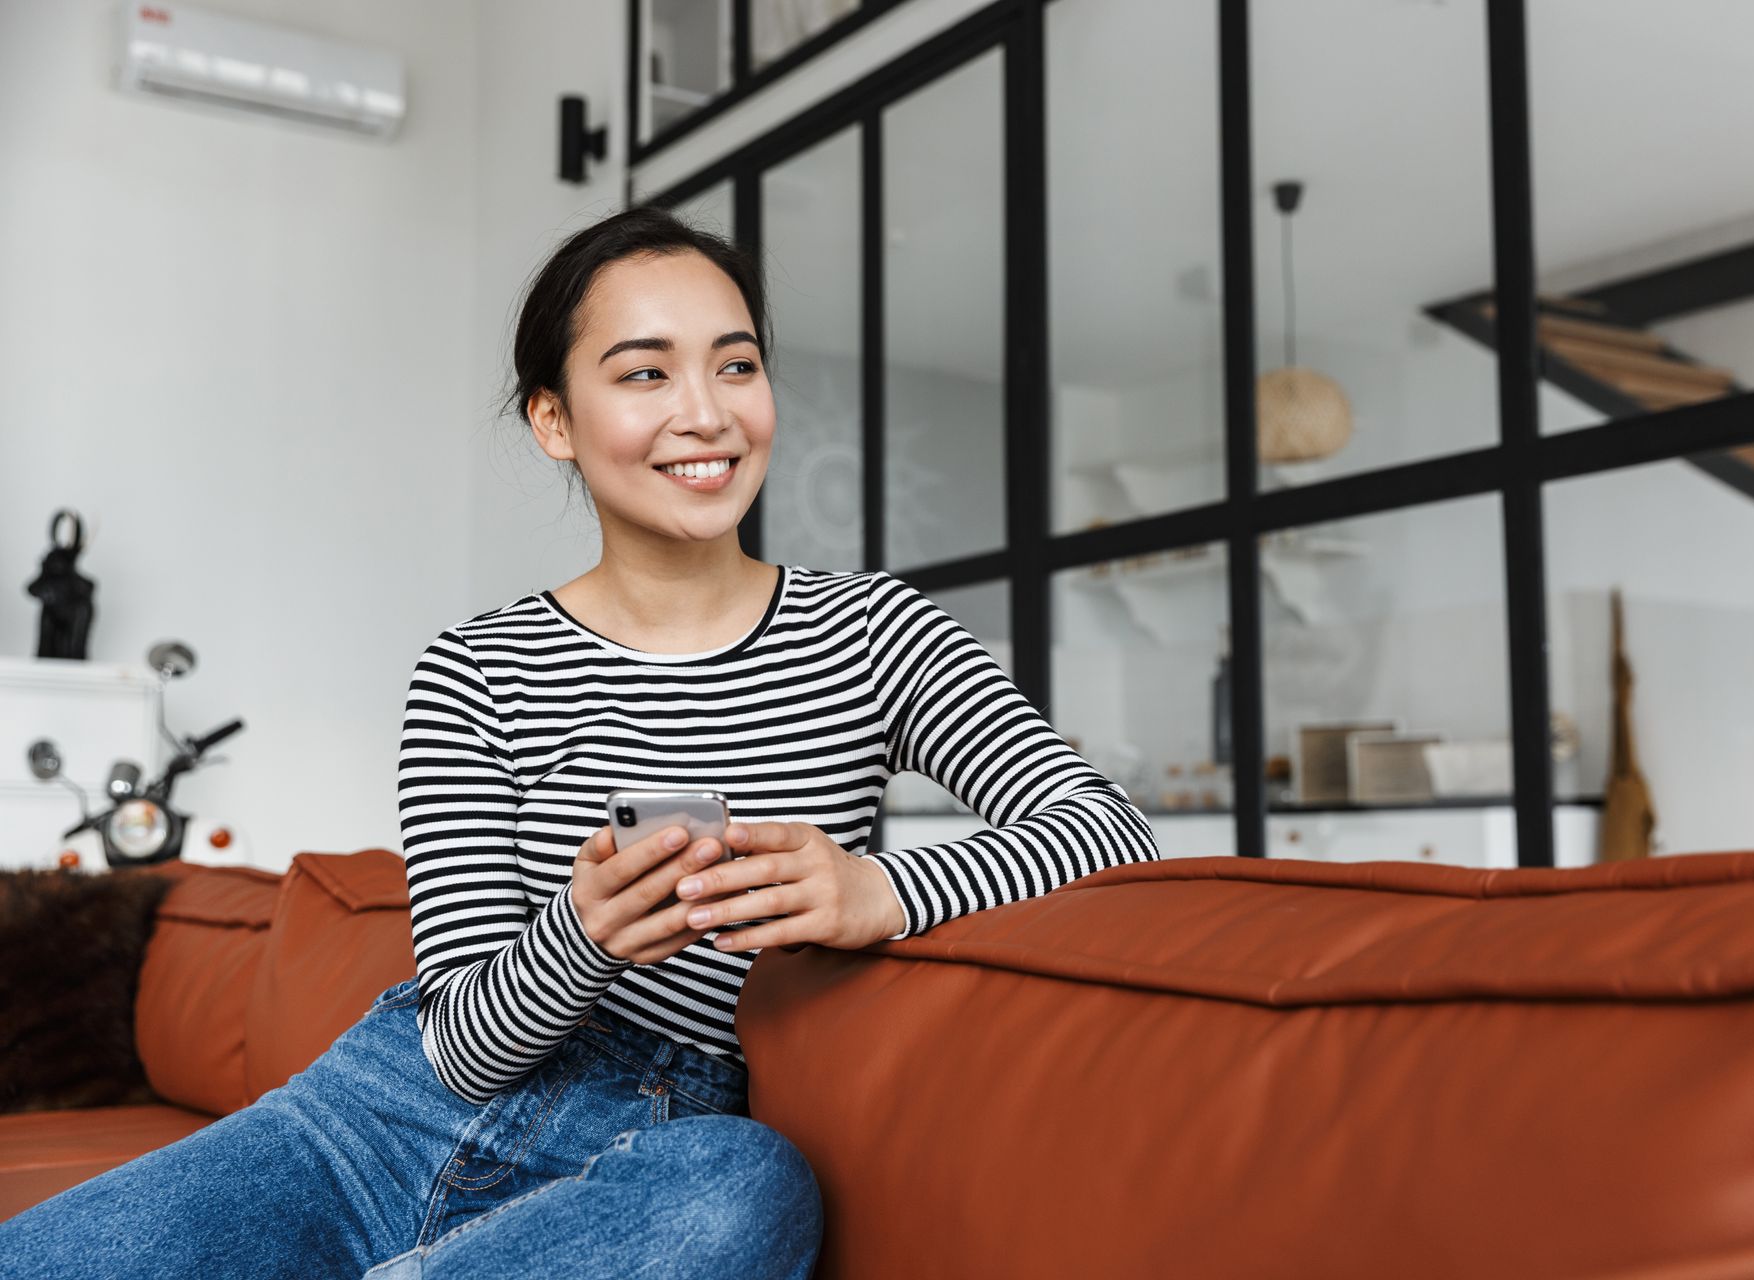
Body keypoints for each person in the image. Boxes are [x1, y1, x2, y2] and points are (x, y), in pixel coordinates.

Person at [0, 203, 1161, 1278]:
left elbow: (1110, 829)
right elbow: (460, 1042)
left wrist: (875, 888)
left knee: (751, 1187)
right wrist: (585, 932)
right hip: (380, 1118)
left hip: (666, 1148)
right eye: (644, 371)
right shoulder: (474, 667)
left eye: (737, 364)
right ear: (554, 418)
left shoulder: (873, 630)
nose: (706, 412)